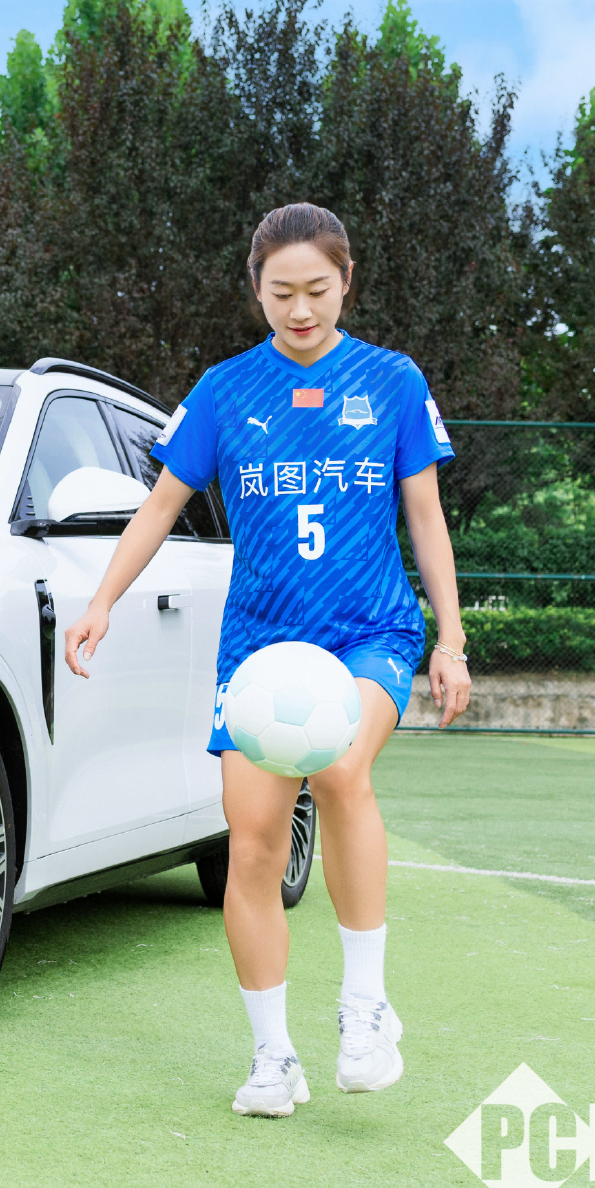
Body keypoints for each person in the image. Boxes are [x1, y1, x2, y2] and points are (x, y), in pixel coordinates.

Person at [63, 203, 472, 1118]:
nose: (300, 309)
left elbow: (427, 516)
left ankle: (365, 1009)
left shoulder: (393, 381)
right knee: (251, 842)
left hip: (369, 631)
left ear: (347, 281)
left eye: (317, 289)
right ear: (255, 289)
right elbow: (160, 507)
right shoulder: (224, 390)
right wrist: (100, 602)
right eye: (281, 292)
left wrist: (450, 639)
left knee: (340, 767)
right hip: (258, 647)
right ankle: (273, 1057)